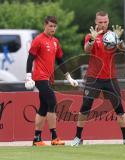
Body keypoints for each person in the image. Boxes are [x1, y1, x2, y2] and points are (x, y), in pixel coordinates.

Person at [71, 11, 125, 146]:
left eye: (105, 22)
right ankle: (77, 138)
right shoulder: (90, 36)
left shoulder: (112, 36)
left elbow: (123, 49)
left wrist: (117, 40)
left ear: (108, 21)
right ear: (96, 22)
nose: (103, 24)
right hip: (94, 78)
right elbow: (87, 49)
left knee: (119, 108)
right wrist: (93, 39)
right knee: (85, 107)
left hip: (110, 78)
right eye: (100, 22)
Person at [25, 16, 78, 146]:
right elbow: (30, 58)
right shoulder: (38, 40)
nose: (52, 28)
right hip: (40, 77)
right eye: (50, 26)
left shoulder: (55, 41)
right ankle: (54, 137)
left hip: (49, 78)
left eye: (54, 26)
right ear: (45, 25)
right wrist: (28, 76)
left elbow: (60, 60)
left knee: (43, 107)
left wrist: (68, 77)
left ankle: (37, 138)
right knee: (52, 102)